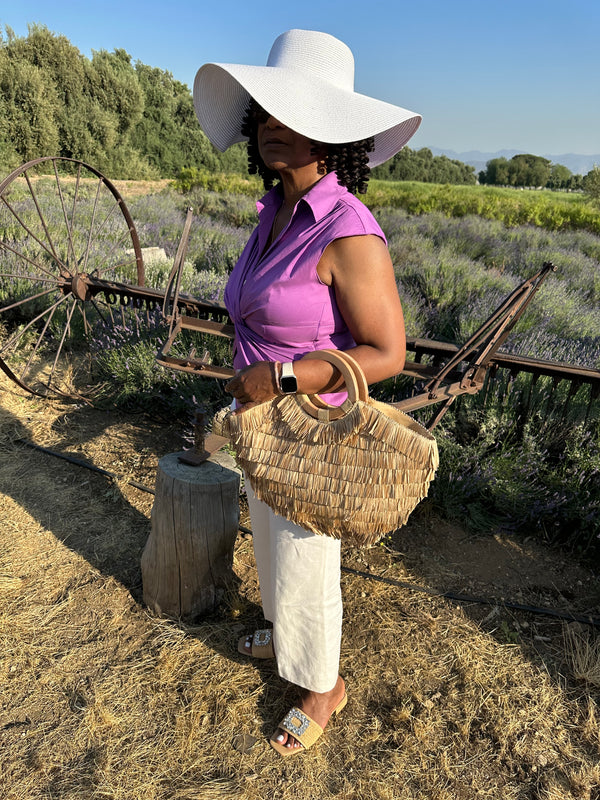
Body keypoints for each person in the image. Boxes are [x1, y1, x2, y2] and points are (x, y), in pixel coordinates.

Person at [193, 28, 421, 756]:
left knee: (306, 556)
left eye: (297, 118)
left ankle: (323, 685)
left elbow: (386, 352)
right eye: (265, 112)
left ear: (336, 137)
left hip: (309, 425)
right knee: (272, 543)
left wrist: (284, 377)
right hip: (262, 420)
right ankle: (288, 639)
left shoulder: (347, 228)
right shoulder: (274, 216)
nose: (272, 129)